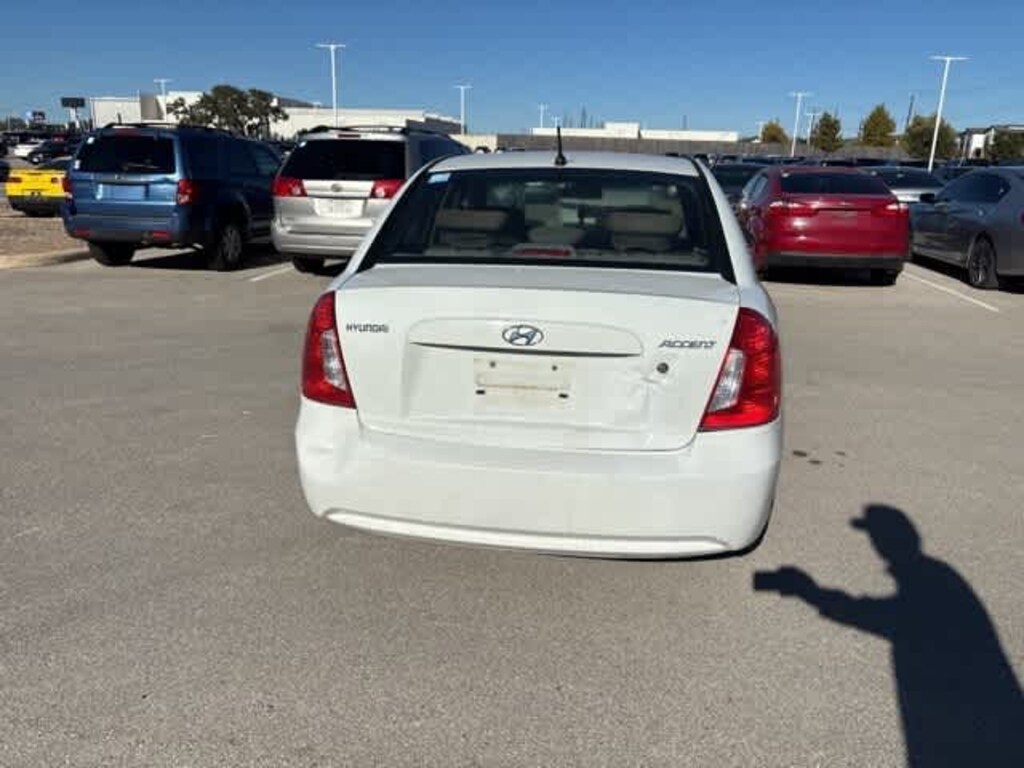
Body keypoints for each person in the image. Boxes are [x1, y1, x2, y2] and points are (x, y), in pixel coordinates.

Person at [755, 504, 1024, 767]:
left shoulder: (929, 578)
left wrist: (810, 593)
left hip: (956, 730)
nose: (874, 543)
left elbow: (881, 616)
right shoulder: (932, 574)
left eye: (875, 536)